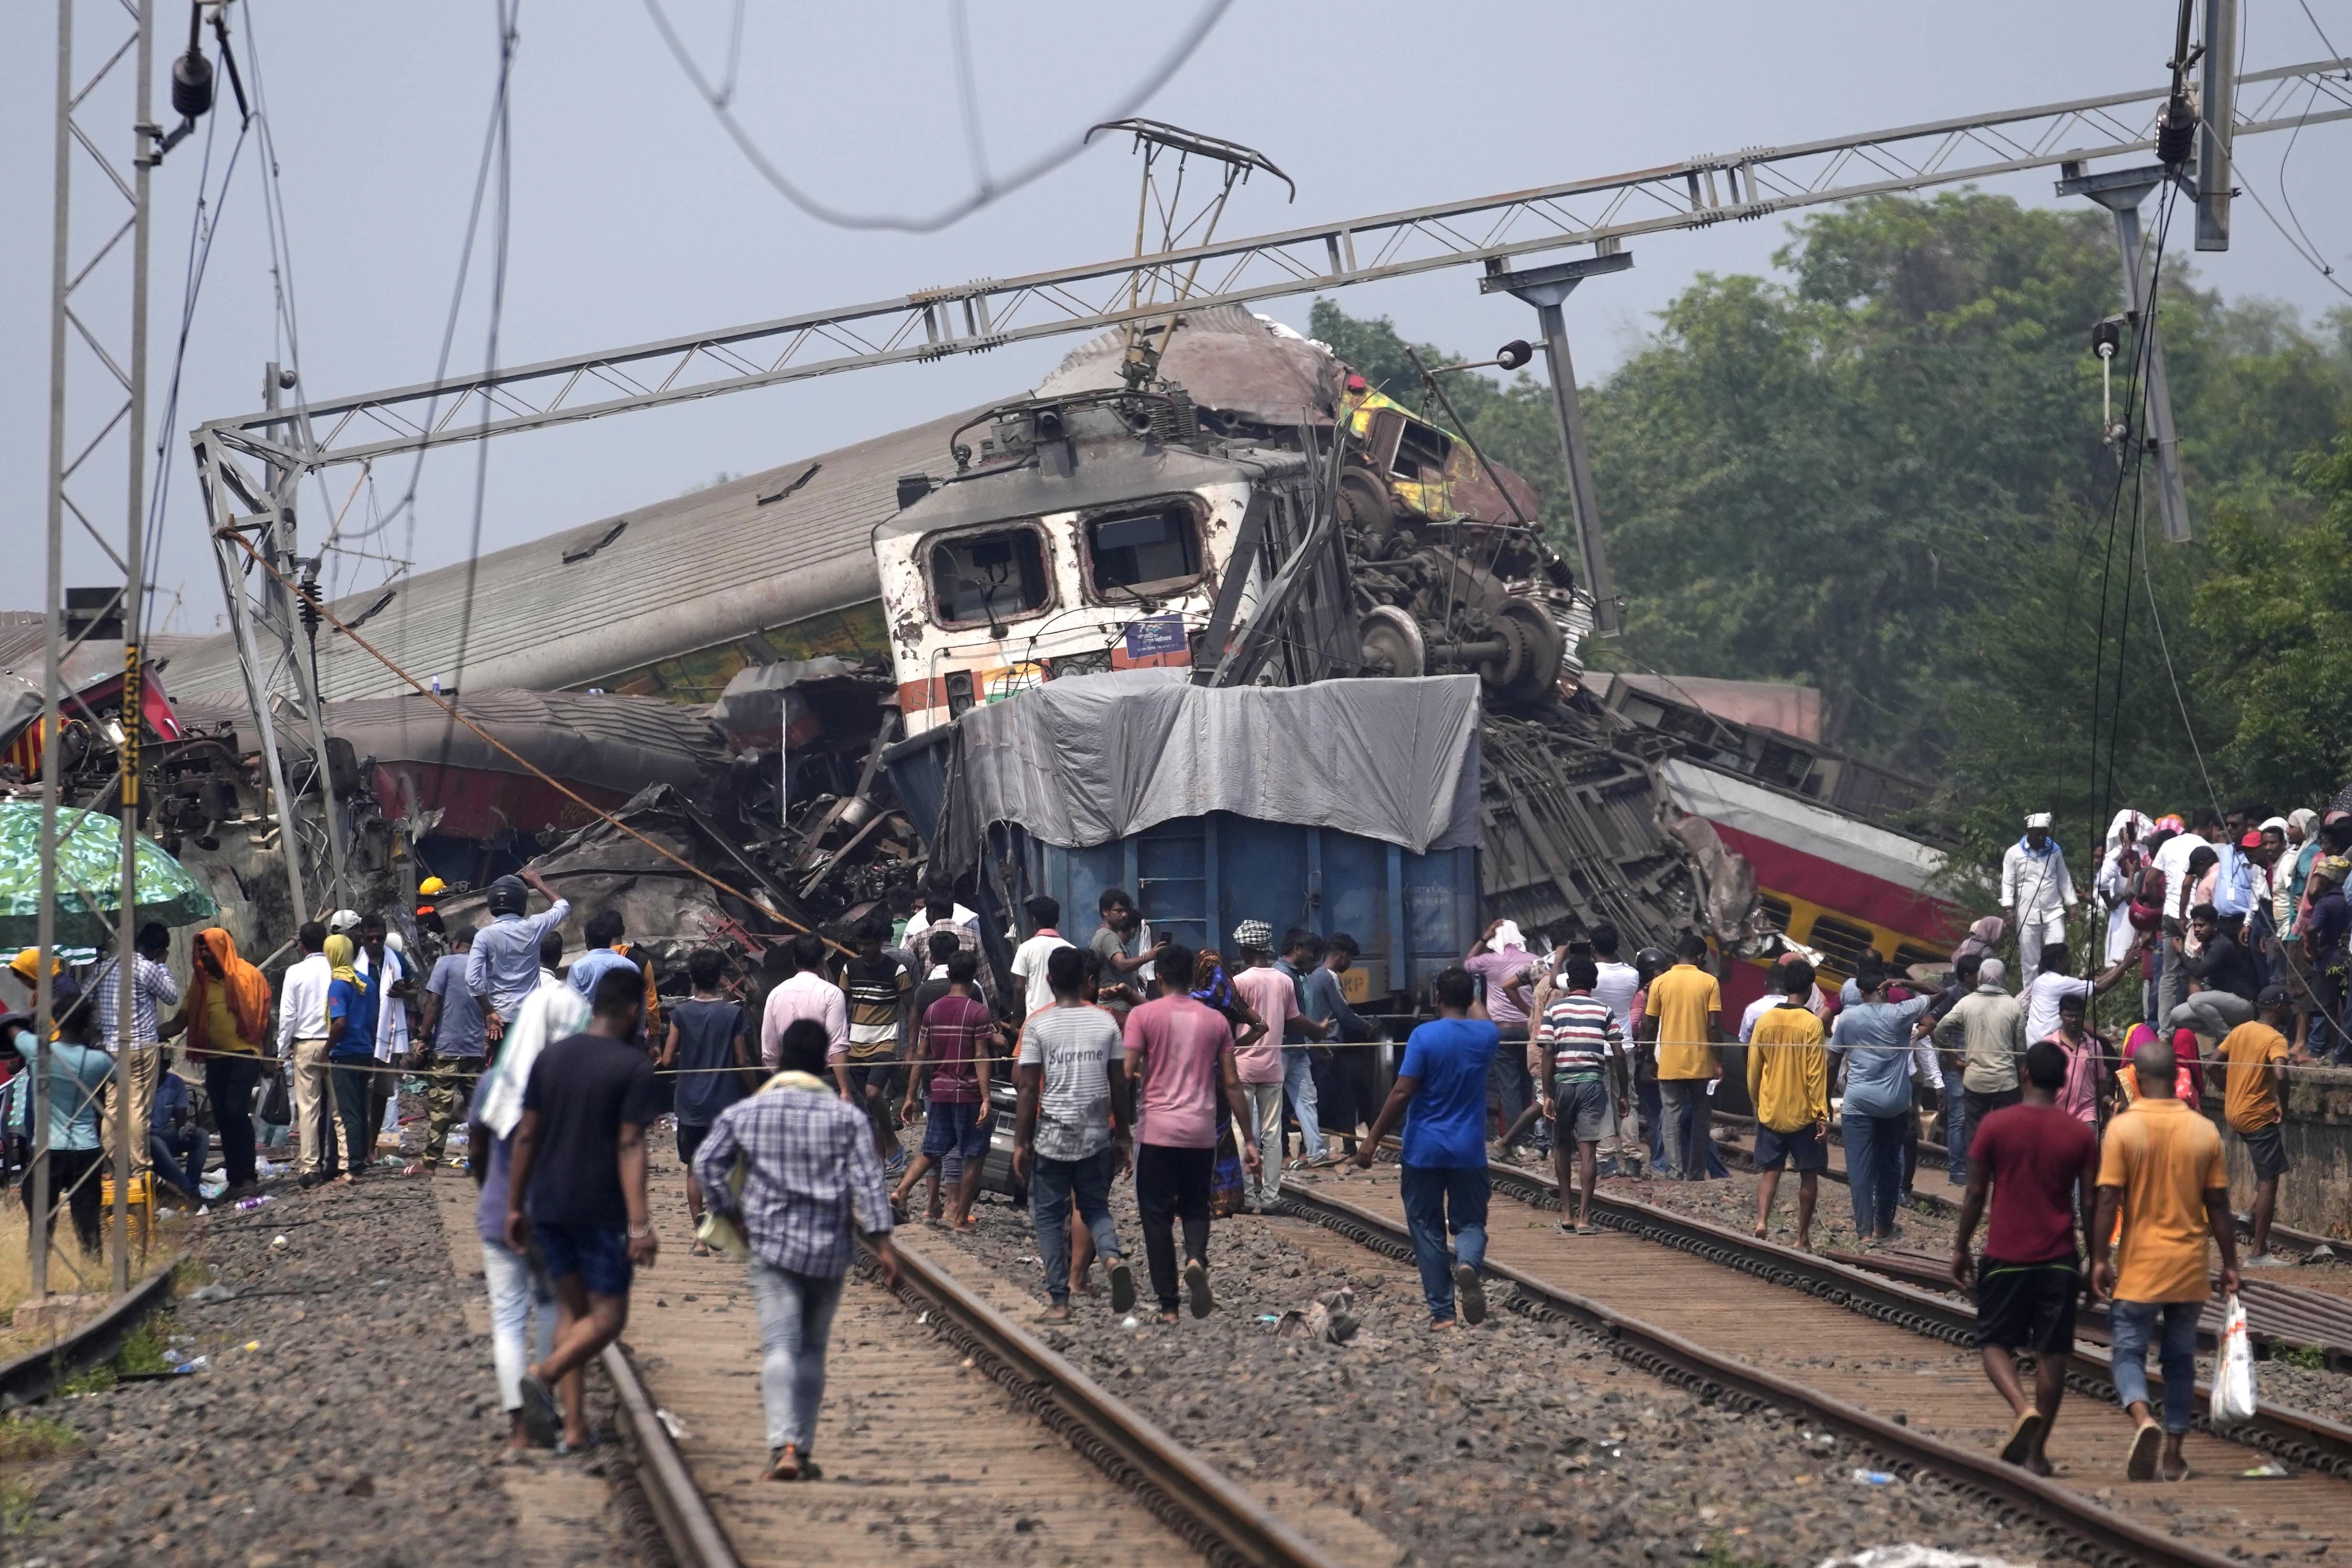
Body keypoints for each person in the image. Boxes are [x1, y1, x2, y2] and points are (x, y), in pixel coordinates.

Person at [694, 1016, 899, 1482]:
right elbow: (869, 1185)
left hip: (770, 1244)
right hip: (828, 1247)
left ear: (782, 1060)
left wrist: (732, 1213)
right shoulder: (847, 1118)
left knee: (779, 1346)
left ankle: (781, 1445)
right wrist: (884, 1246)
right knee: (812, 1350)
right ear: (825, 1063)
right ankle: (801, 1449)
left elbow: (706, 1162)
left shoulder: (749, 1112)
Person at [507, 967, 660, 1452]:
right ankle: (543, 1373)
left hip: (549, 1205)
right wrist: (639, 1223)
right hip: (600, 1210)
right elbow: (630, 1143)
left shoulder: (551, 1058)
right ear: (633, 1010)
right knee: (609, 1317)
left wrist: (514, 1204)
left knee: (574, 1314)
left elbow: (526, 1133)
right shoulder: (632, 1066)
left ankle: (574, 1430)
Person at [2090, 1033, 2239, 1482]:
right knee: (2179, 1360)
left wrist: (2098, 1258)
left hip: (2141, 1267)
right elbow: (2219, 1206)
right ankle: (2174, 1455)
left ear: (2135, 1076)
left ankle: (2143, 1419)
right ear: (2178, 1074)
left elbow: (2106, 1198)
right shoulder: (2203, 1129)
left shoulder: (2124, 1128)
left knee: (2128, 1352)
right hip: (2190, 1267)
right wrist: (2231, 1264)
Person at [1950, 1040, 2101, 1477]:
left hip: (2006, 1254)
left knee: (1993, 1341)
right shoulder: (2079, 1134)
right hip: (2059, 1258)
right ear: (2062, 1083)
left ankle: (2021, 1407)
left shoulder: (1996, 1125)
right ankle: (2037, 1453)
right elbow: (2091, 1204)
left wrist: (1961, 1248)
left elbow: (1976, 1192)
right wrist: (2095, 1260)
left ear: (2025, 1076)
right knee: (2052, 1353)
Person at [1125, 942, 1259, 1321]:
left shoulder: (1144, 1016)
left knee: (1156, 1214)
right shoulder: (1216, 1022)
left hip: (1156, 1132)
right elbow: (1232, 1085)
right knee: (1197, 1206)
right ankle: (1196, 1258)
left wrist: (1118, 1126)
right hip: (1201, 1133)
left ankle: (1169, 1306)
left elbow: (1124, 1073)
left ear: (1160, 977)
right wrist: (1249, 1138)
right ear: (1192, 978)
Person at [1355, 967, 1495, 1329]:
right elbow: (1481, 1015)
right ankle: (1467, 1263)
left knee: (1427, 1226)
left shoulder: (1424, 1035)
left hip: (1424, 1149)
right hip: (1469, 1151)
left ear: (1437, 999)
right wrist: (1470, 991)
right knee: (1471, 1223)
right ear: (1470, 999)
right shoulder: (1486, 1035)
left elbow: (1402, 1092)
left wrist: (1372, 1137)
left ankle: (1443, 1315)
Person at [1011, 946, 1134, 1323]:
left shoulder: (1037, 1024)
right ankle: (1112, 1257)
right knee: (1095, 1206)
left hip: (1052, 1137)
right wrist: (1124, 1137)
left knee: (1048, 1217)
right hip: (1097, 1134)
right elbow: (1120, 1082)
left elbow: (1028, 1087)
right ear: (1086, 979)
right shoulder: (1106, 1023)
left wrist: (1021, 1141)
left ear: (1049, 981)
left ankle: (1060, 1302)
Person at [1829, 953, 1936, 1243]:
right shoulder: (1901, 1013)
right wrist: (1903, 981)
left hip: (1858, 1103)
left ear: (1861, 992)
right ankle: (1883, 1226)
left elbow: (1832, 1061)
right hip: (1895, 1104)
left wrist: (1825, 1101)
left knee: (1860, 1167)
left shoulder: (1849, 1018)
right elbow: (1941, 994)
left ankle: (1864, 1232)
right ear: (1886, 988)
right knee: (1890, 1164)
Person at [891, 949, 998, 1231]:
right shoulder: (978, 1011)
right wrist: (986, 1098)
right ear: (975, 976)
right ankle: (961, 1217)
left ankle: (901, 1191)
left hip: (938, 1091)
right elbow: (980, 1056)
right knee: (974, 1153)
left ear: (949, 974)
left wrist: (911, 1096)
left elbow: (921, 1055)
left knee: (932, 1150)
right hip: (969, 1093)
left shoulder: (933, 1010)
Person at [661, 947, 753, 1250]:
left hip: (689, 1104)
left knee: (693, 1167)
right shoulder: (732, 1013)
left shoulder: (681, 1013)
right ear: (720, 979)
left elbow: (666, 1057)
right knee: (725, 1167)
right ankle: (716, 1223)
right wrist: (754, 1090)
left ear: (692, 979)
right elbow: (741, 1060)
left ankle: (700, 1236)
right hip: (724, 1104)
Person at [167, 927, 269, 1197]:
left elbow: (264, 1020)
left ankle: (248, 1177)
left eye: (207, 949)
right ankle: (236, 1181)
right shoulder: (200, 984)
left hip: (244, 1056)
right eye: (199, 950)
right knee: (224, 1117)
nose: (203, 954)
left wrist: (270, 1057)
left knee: (236, 1111)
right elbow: (180, 1021)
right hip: (215, 1060)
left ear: (222, 948)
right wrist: (145, 1034)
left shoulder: (249, 976)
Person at [9, 988, 112, 1256]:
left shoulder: (37, 1050)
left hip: (47, 1151)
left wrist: (34, 1012)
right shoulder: (99, 1061)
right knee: (88, 1227)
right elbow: (121, 1080)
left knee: (41, 1225)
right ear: (89, 1024)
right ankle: (94, 1274)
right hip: (86, 1151)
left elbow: (9, 1024)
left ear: (57, 1021)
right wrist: (100, 1044)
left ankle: (38, 1277)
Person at [1746, 959, 1830, 1251]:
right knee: (1809, 1173)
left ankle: (1761, 1220)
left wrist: (1758, 1101)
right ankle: (1802, 1238)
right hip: (1803, 1113)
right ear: (1809, 989)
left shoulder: (1766, 1021)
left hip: (1771, 1108)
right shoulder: (1812, 1024)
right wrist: (1822, 1114)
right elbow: (1816, 1073)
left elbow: (1754, 1067)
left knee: (1771, 1169)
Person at [1536, 957, 1623, 1234]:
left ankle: (1567, 1214)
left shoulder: (1554, 1010)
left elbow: (1548, 1052)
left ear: (1570, 982)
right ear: (1594, 984)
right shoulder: (1604, 1011)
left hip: (1562, 1084)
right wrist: (1623, 1094)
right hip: (1593, 1084)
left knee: (1561, 1145)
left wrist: (1547, 1094)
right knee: (1589, 1150)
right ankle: (1586, 1218)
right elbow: (1619, 1053)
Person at [2209, 985, 2295, 1266]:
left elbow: (2211, 1066)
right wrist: (2283, 1104)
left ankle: (2248, 1214)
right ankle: (2258, 1253)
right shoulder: (2276, 1039)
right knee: (2271, 1178)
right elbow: (2281, 1074)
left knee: (2265, 1168)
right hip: (2258, 1116)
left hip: (2235, 1113)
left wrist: (2230, 1090)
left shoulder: (2241, 1030)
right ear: (2279, 1007)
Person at [89, 920, 177, 1179]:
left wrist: (98, 1035)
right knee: (138, 1109)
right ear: (157, 949)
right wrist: (162, 965)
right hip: (142, 1047)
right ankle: (140, 1169)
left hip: (112, 1049)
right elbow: (171, 996)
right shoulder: (147, 968)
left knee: (113, 1109)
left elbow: (85, 998)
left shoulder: (104, 968)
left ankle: (114, 1168)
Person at [1932, 956, 2025, 1182]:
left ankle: (1974, 1178)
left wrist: (1953, 1056)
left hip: (1974, 1079)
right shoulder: (2014, 1006)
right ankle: (2004, 1177)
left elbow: (1939, 1031)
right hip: (2007, 1082)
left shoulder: (1967, 1003)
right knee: (2006, 1133)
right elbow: (2021, 1049)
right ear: (2003, 977)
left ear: (1982, 976)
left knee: (1974, 1132)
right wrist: (2019, 1072)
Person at [1643, 934, 1722, 1182]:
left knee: (1671, 1117)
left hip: (1670, 1061)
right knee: (1701, 1118)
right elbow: (1713, 1026)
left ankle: (1675, 1171)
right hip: (1701, 1064)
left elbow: (1650, 1024)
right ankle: (1696, 1174)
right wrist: (1717, 1060)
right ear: (1699, 957)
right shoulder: (1710, 982)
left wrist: (1650, 1057)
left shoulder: (1661, 982)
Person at [1226, 921, 1294, 1207]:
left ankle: (1247, 1195)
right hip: (1273, 1067)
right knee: (1273, 1134)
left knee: (1243, 1132)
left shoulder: (1239, 982)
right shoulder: (1285, 981)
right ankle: (1271, 1198)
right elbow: (1289, 1021)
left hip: (1242, 1067)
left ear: (1244, 948)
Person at [837, 915, 912, 1174]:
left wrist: (911, 1046)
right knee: (867, 1105)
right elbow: (842, 1006)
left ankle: (891, 1143)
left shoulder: (896, 971)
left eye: (868, 944)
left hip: (885, 1043)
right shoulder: (850, 969)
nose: (863, 949)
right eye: (860, 944)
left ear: (880, 942)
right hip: (855, 1044)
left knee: (873, 1093)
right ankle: (879, 1158)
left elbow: (911, 1009)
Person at [465, 868, 571, 1047]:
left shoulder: (484, 936)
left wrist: (489, 1012)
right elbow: (563, 906)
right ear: (521, 901)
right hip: (532, 1020)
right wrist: (539, 885)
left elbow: (472, 980)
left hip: (500, 1021)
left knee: (503, 1072)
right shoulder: (534, 926)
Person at [417, 925, 489, 1173]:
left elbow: (433, 1002)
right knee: (478, 1109)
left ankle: (430, 1162)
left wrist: (423, 1037)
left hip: (447, 1047)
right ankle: (476, 1163)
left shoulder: (445, 963)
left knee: (441, 1108)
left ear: (457, 943)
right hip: (477, 1049)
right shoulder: (486, 967)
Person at [1465, 919, 1539, 1158]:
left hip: (1503, 1032)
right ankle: (1528, 1139)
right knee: (1529, 1086)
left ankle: (1514, 1141)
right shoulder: (1534, 960)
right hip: (1530, 1030)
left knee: (1509, 1087)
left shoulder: (1490, 961)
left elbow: (1467, 965)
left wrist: (1484, 938)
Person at [1301, 933, 1376, 1152]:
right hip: (1329, 1048)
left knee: (1321, 1099)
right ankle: (1346, 1149)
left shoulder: (1312, 976)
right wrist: (1368, 1026)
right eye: (1350, 959)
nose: (1349, 965)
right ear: (1343, 955)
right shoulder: (1330, 977)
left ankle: (1320, 1148)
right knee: (1343, 1100)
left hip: (1313, 1047)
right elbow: (1344, 1014)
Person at [1271, 928, 1336, 1171]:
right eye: (1312, 953)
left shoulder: (1300, 977)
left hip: (1297, 1048)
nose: (1315, 960)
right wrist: (1317, 1031)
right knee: (1275, 1105)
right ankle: (1277, 1155)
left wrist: (1314, 1042)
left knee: (1307, 1098)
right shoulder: (1280, 976)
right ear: (1297, 949)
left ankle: (1316, 1151)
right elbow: (1290, 1016)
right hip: (1281, 1048)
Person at [354, 914, 413, 1159]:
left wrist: (403, 991)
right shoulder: (354, 959)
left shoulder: (397, 959)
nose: (376, 942)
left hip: (388, 1036)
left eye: (380, 938)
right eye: (371, 938)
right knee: (358, 1094)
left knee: (381, 1093)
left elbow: (414, 990)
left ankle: (371, 1147)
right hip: (360, 1035)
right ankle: (357, 1147)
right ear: (363, 936)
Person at [322, 935, 379, 1186]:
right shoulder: (366, 982)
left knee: (350, 1112)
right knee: (361, 1109)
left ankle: (353, 1170)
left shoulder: (338, 985)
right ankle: (363, 1160)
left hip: (344, 1054)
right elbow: (373, 1018)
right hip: (365, 1051)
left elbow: (340, 1022)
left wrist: (326, 1050)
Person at [2001, 812, 2077, 992]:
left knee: (2057, 952)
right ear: (2028, 832)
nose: (2041, 837)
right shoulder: (2014, 853)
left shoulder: (2055, 851)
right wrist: (2008, 908)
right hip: (2027, 914)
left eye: (2044, 833)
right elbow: (2008, 882)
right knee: (2030, 962)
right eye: (2037, 833)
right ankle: (2030, 997)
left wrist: (2072, 903)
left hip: (2054, 912)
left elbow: (2063, 878)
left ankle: (2055, 992)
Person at [762, 931, 848, 1071]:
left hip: (787, 1077)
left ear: (795, 960)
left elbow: (770, 1052)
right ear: (822, 960)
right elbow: (836, 1047)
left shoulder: (776, 994)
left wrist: (781, 1079)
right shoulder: (832, 994)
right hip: (824, 1075)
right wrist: (844, 1089)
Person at [1090, 887, 1165, 1015]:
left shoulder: (1105, 935)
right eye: (1118, 911)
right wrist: (1148, 956)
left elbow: (1113, 967)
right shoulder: (1108, 937)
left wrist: (1132, 976)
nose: (1124, 915)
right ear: (1105, 912)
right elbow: (1122, 965)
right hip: (1117, 1008)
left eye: (1125, 911)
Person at [147, 1069, 210, 1204]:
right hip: (142, 1139)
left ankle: (192, 1184)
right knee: (155, 1142)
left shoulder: (174, 1083)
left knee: (201, 1136)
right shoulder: (139, 1082)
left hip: (163, 1136)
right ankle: (189, 1191)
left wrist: (185, 1128)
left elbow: (181, 1118)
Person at [1010, 895, 1073, 1021]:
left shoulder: (1026, 948)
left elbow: (1019, 988)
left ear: (1035, 920)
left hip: (1036, 1019)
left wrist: (1015, 1018)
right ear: (1057, 919)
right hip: (1065, 1019)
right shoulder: (1072, 950)